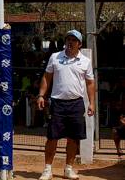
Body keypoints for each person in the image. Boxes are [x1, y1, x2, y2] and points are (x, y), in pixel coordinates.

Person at [37, 30, 95, 180]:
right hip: (57, 103)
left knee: (74, 138)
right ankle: (47, 169)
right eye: (68, 39)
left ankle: (68, 168)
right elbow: (47, 77)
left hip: (76, 104)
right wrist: (41, 95)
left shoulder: (85, 61)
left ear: (79, 44)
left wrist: (92, 103)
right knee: (52, 137)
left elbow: (90, 83)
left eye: (74, 40)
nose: (70, 42)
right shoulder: (55, 57)